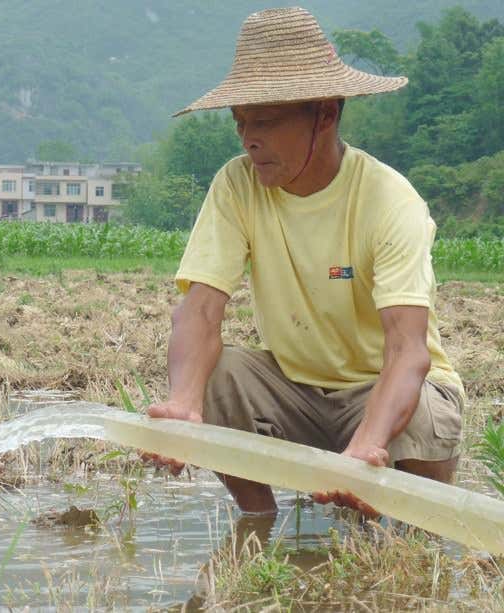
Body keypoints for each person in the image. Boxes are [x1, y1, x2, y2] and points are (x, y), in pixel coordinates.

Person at [146, 7, 464, 517]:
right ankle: (259, 521)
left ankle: (406, 527)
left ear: (325, 114)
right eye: (241, 122)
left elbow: (408, 351)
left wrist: (366, 445)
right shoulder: (238, 184)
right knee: (219, 373)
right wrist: (184, 402)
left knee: (424, 413)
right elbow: (199, 311)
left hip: (381, 390)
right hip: (295, 389)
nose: (249, 138)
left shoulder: (388, 200)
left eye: (266, 122)